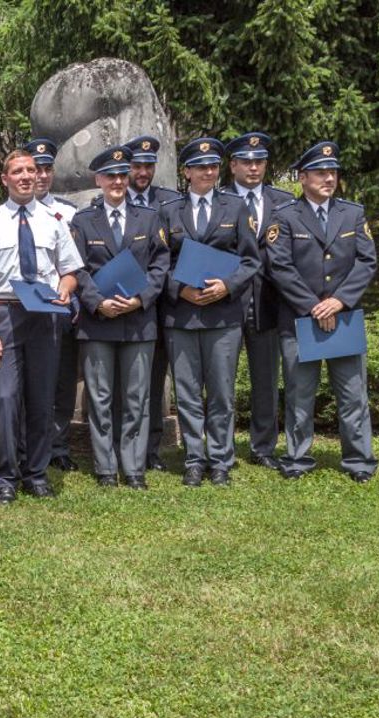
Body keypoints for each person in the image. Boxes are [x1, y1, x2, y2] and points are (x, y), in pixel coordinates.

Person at [0, 149, 82, 505]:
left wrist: (66, 288)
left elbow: (71, 271)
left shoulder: (56, 219)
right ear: (5, 179)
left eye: (32, 170)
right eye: (18, 171)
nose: (27, 176)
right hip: (6, 316)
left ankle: (36, 472)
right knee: (6, 396)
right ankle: (6, 476)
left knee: (41, 397)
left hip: (45, 316)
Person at [267, 141, 377, 481]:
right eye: (320, 173)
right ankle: (298, 459)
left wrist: (339, 300)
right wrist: (314, 306)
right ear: (302, 177)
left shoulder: (352, 213)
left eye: (332, 172)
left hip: (344, 318)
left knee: (352, 394)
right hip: (301, 320)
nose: (328, 178)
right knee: (300, 393)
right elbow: (280, 267)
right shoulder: (284, 217)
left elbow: (366, 260)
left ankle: (359, 461)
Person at [159, 138, 259, 487]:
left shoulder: (235, 208)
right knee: (186, 393)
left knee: (220, 392)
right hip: (182, 317)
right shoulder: (169, 210)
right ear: (186, 172)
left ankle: (220, 460)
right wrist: (178, 288)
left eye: (214, 166)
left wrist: (227, 286)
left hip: (223, 316)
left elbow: (250, 260)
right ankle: (194, 459)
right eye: (201, 166)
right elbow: (159, 262)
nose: (208, 171)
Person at [69, 145, 170, 488]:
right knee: (99, 398)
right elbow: (76, 268)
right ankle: (106, 468)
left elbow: (160, 266)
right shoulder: (83, 221)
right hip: (98, 323)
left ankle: (134, 467)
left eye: (122, 175)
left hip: (138, 322)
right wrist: (97, 302)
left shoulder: (149, 218)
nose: (117, 181)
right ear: (98, 179)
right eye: (110, 175)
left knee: (136, 398)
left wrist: (140, 299)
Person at [222, 132, 294, 469]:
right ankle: (222, 447)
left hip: (268, 301)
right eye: (246, 162)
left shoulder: (283, 201)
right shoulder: (218, 200)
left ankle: (263, 447)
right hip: (226, 301)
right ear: (233, 164)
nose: (253, 167)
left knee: (266, 379)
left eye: (259, 162)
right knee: (222, 379)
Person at [121, 134, 183, 471]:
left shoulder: (170, 202)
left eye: (148, 166)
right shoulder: (111, 200)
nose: (143, 172)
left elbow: (174, 254)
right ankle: (124, 445)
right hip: (123, 302)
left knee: (155, 380)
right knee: (127, 382)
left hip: (163, 305)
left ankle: (151, 449)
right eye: (136, 166)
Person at [24, 138, 82, 473]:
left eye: (46, 169)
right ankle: (26, 443)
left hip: (58, 309)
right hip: (20, 310)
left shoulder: (69, 213)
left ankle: (58, 445)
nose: (41, 175)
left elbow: (74, 265)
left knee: (61, 380)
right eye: (36, 168)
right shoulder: (1, 214)